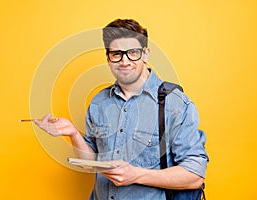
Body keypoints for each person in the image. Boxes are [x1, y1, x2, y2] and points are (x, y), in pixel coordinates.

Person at [34, 18, 209, 200]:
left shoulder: (175, 103)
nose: (124, 61)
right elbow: (90, 163)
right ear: (108, 58)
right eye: (116, 54)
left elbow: (194, 175)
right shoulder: (99, 102)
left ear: (145, 54)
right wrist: (73, 134)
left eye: (132, 53)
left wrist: (137, 175)